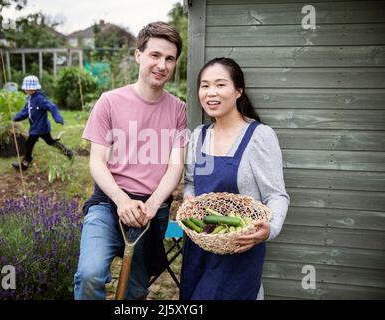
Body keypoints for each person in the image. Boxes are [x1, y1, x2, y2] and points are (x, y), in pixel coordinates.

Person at [74, 22, 187, 300]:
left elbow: (176, 166)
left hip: (152, 210)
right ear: (139, 55)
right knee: (89, 275)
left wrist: (151, 205)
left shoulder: (178, 110)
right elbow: (97, 163)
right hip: (108, 205)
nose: (162, 65)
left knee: (136, 289)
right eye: (155, 55)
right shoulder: (109, 102)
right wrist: (122, 201)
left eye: (169, 58)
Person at [180, 57, 290, 300]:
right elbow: (190, 184)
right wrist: (188, 200)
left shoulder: (260, 136)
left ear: (238, 91)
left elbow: (276, 195)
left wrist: (269, 230)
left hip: (240, 249)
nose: (211, 93)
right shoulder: (198, 136)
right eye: (205, 85)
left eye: (220, 85)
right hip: (200, 247)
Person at [12, 75, 73, 170]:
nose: (25, 90)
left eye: (27, 88)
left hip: (40, 127)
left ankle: (25, 163)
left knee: (29, 143)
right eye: (26, 88)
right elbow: (25, 111)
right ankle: (67, 152)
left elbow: (52, 107)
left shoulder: (40, 99)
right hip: (38, 127)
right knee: (50, 142)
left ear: (33, 89)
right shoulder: (30, 98)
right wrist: (16, 117)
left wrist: (57, 117)